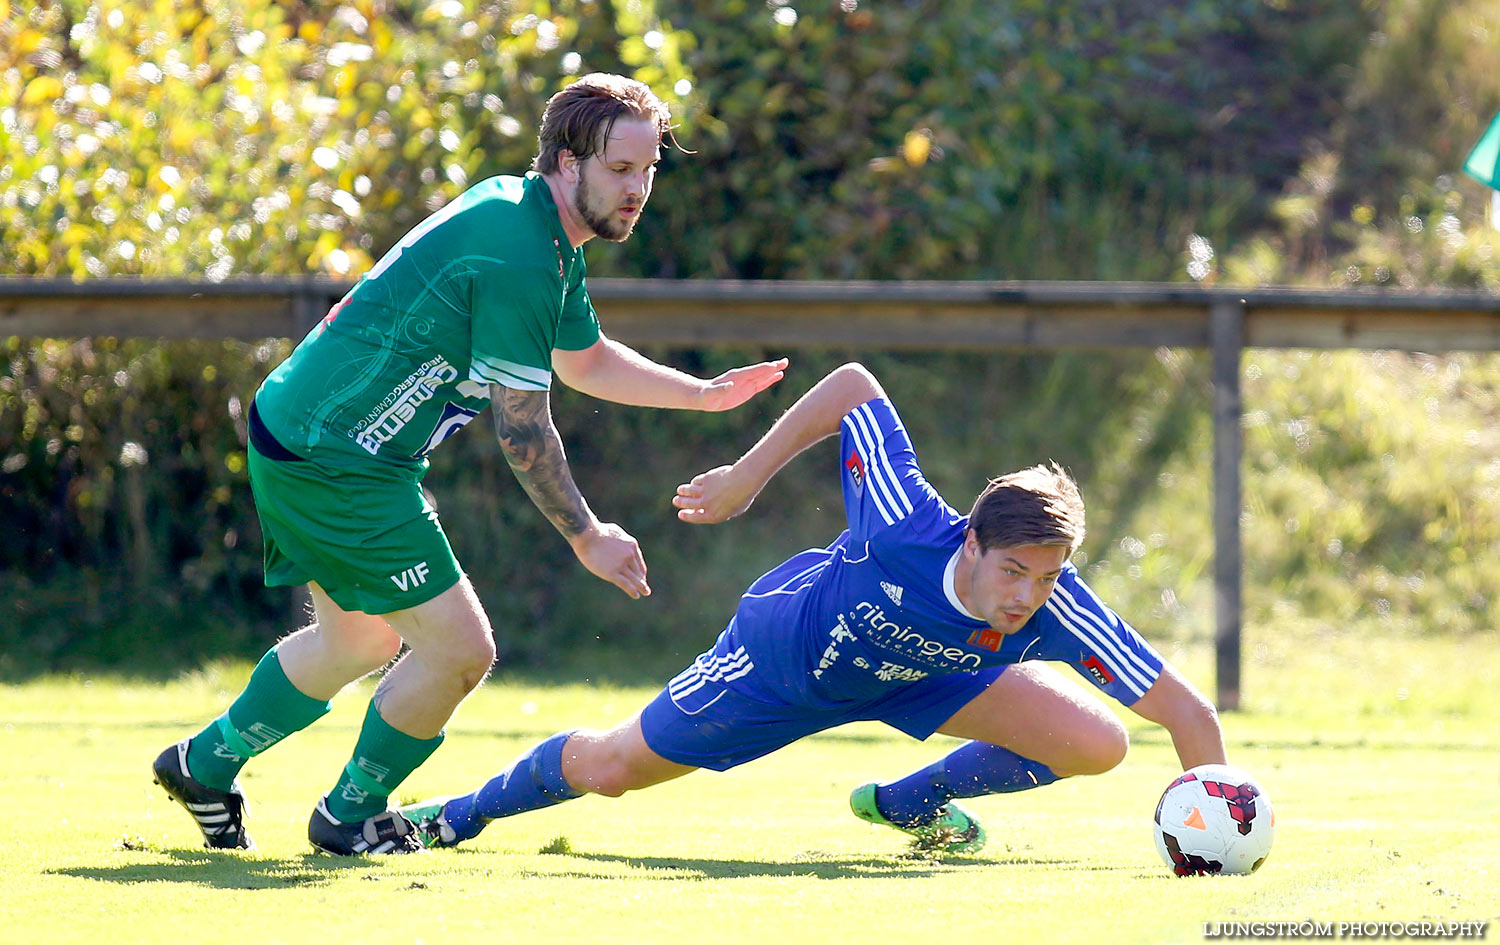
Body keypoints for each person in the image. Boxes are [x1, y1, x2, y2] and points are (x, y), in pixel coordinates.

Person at [151, 73, 787, 855]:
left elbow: (582, 361)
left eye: (649, 169)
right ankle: (350, 815)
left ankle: (203, 765)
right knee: (461, 649)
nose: (638, 189)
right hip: (336, 458)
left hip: (309, 436)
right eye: (621, 170)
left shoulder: (536, 226)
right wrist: (587, 535)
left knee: (358, 641)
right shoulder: (521, 254)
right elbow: (524, 433)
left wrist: (703, 396)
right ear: (565, 160)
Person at [396, 362, 1227, 855]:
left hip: (924, 680)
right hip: (781, 662)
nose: (1026, 597)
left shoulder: (1054, 607)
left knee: (1100, 741)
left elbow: (1185, 711)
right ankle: (450, 818)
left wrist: (1214, 820)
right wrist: (747, 475)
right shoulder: (905, 522)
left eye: (1046, 579)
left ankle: (910, 804)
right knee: (611, 771)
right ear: (971, 542)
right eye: (1013, 571)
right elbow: (852, 386)